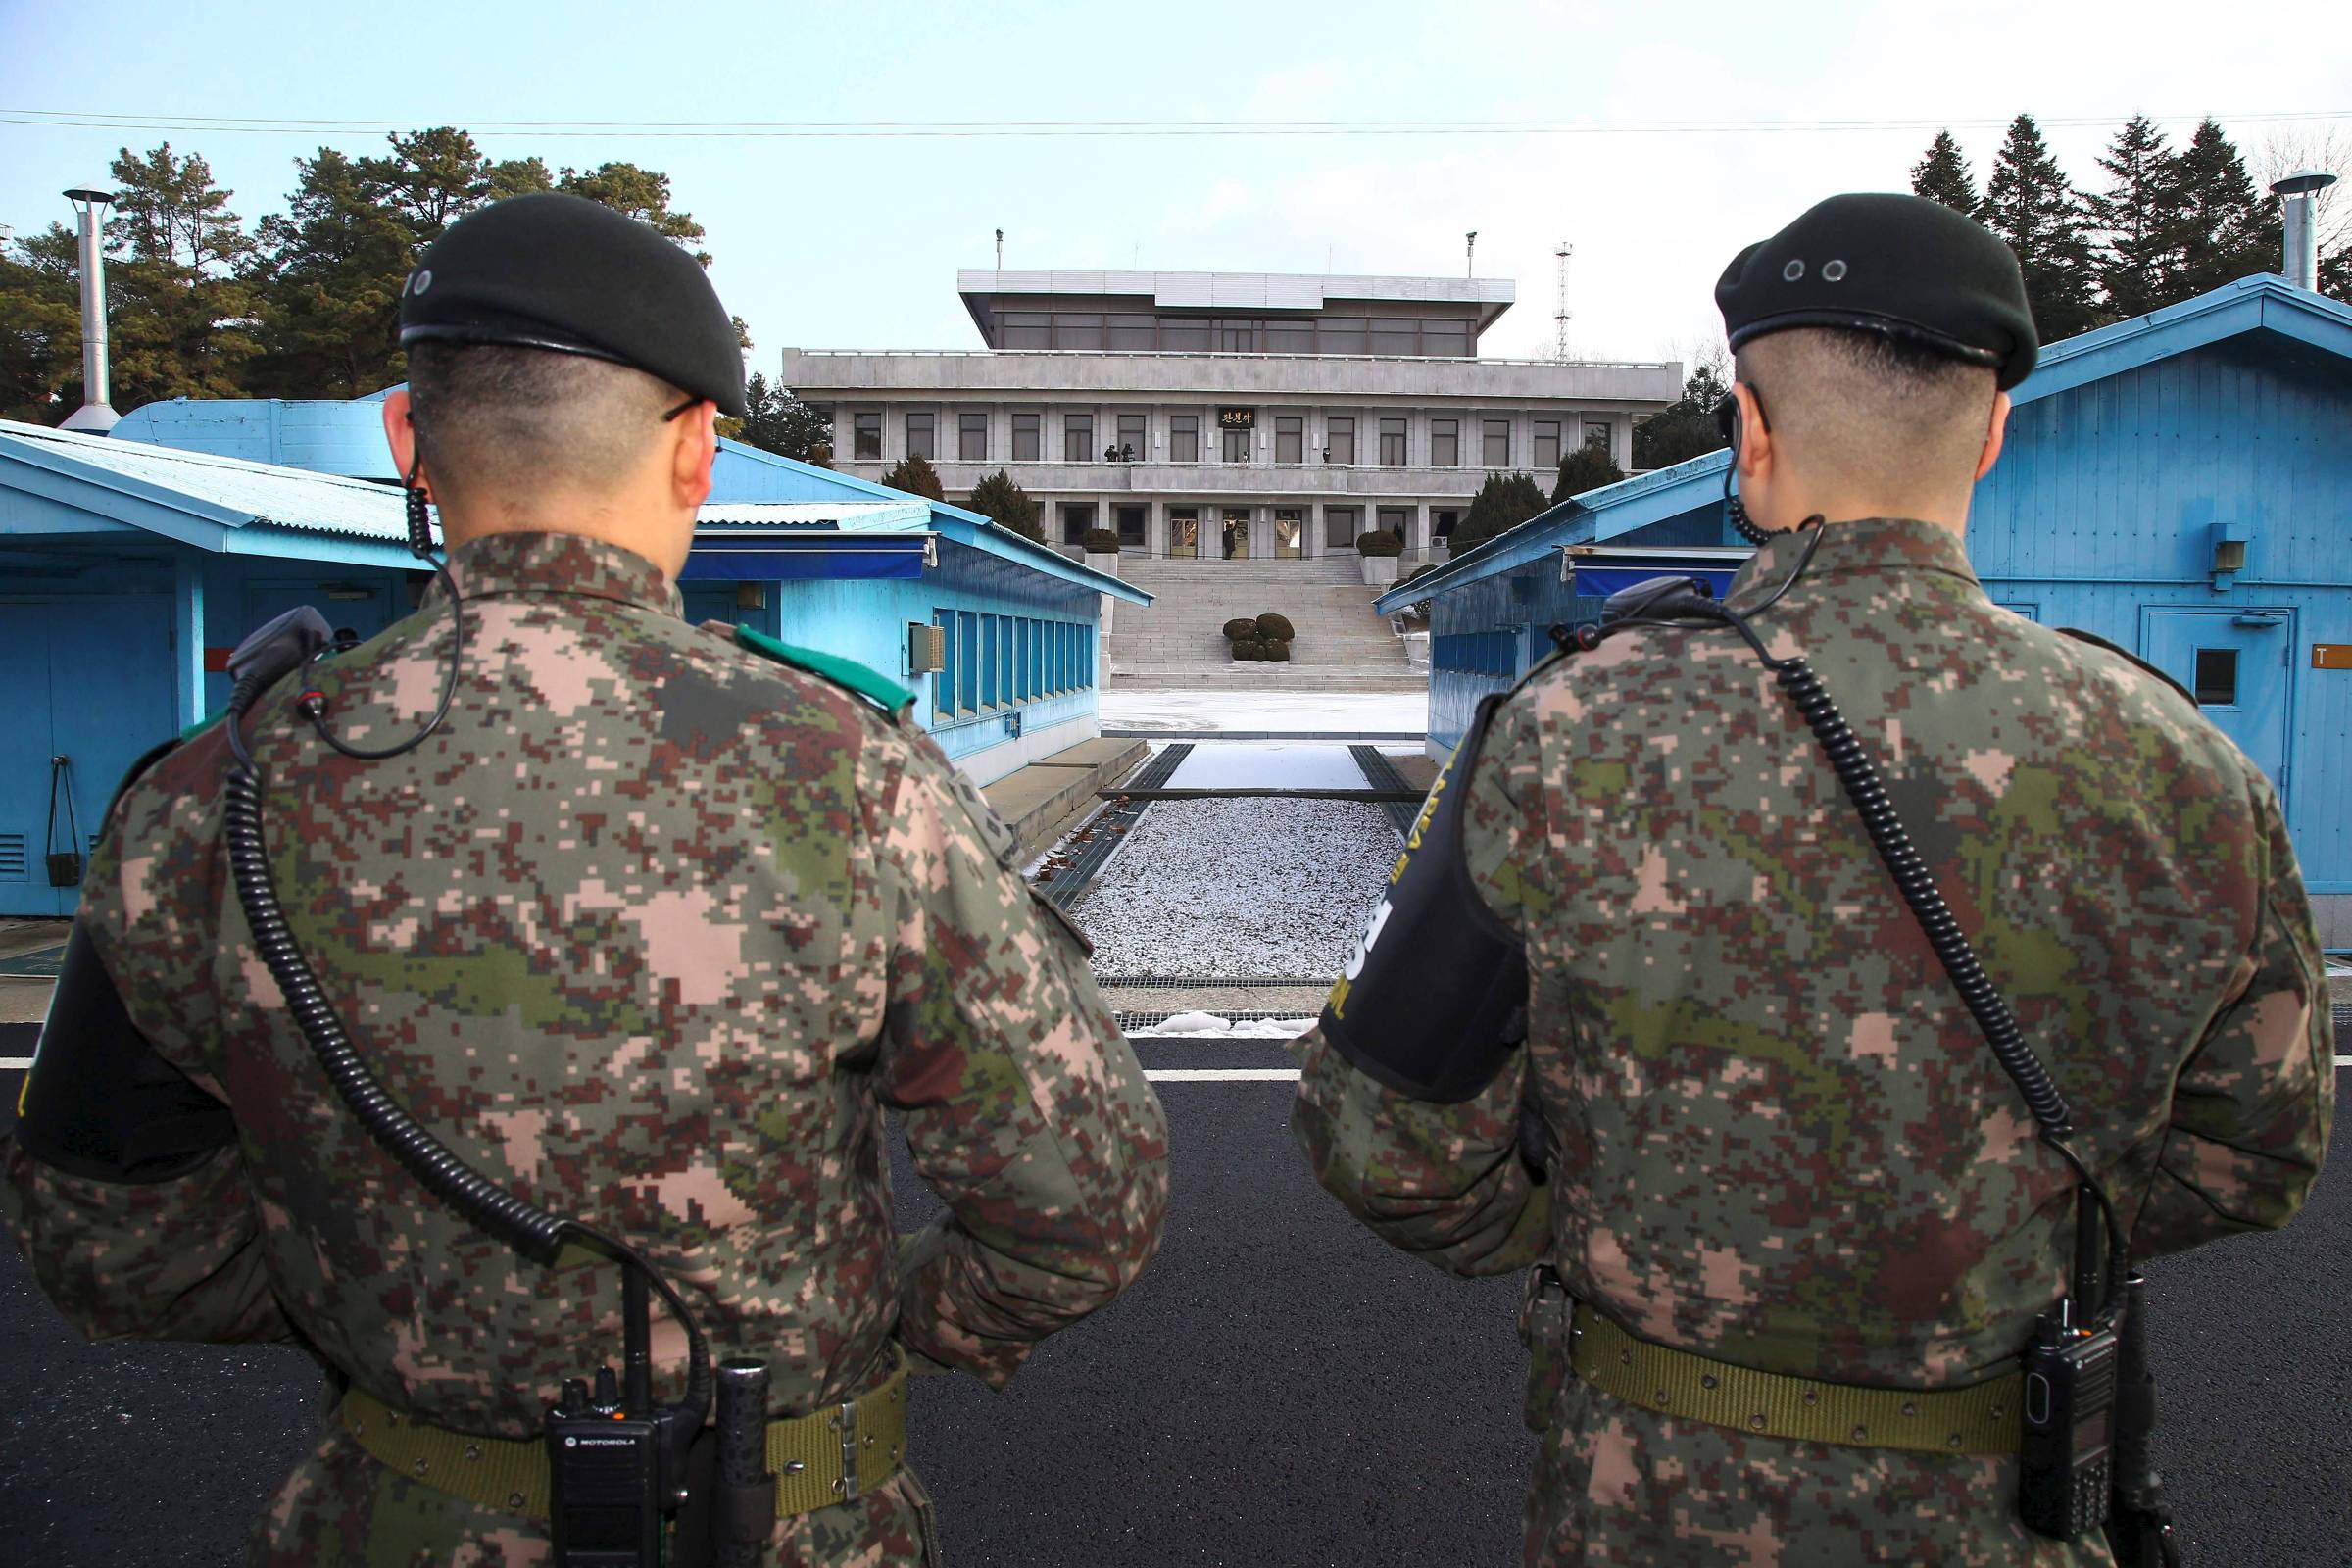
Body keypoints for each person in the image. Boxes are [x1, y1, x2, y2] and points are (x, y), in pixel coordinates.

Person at [3, 192, 1169, 1566]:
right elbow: (1083, 1210)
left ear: (407, 441)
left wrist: (368, 1289)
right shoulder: (848, 775)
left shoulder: (210, 802)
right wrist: (888, 1312)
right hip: (775, 1524)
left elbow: (104, 1244)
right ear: (697, 451)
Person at [1292, 192, 2331, 1564]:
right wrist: (1986, 1246)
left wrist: (1615, 1223)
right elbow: (2255, 1153)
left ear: (1751, 426)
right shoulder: (2186, 769)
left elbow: (1385, 1142)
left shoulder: (1570, 734)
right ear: (1994, 433)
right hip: (2006, 1510)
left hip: (1649, 1504)